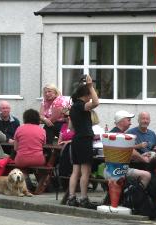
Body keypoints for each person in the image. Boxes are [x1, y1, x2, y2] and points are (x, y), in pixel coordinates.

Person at [67, 74, 99, 209]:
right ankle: (84, 198)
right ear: (85, 95)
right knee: (85, 171)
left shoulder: (73, 107)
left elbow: (70, 127)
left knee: (76, 171)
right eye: (89, 95)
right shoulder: (80, 105)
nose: (91, 96)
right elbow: (96, 102)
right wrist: (91, 86)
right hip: (84, 140)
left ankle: (71, 197)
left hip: (76, 140)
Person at [109, 110, 151, 188]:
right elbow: (131, 151)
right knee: (147, 175)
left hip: (110, 169)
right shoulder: (120, 136)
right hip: (118, 170)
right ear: (121, 121)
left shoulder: (112, 133)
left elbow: (125, 153)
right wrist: (144, 159)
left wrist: (141, 155)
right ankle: (134, 196)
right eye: (128, 120)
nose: (130, 123)